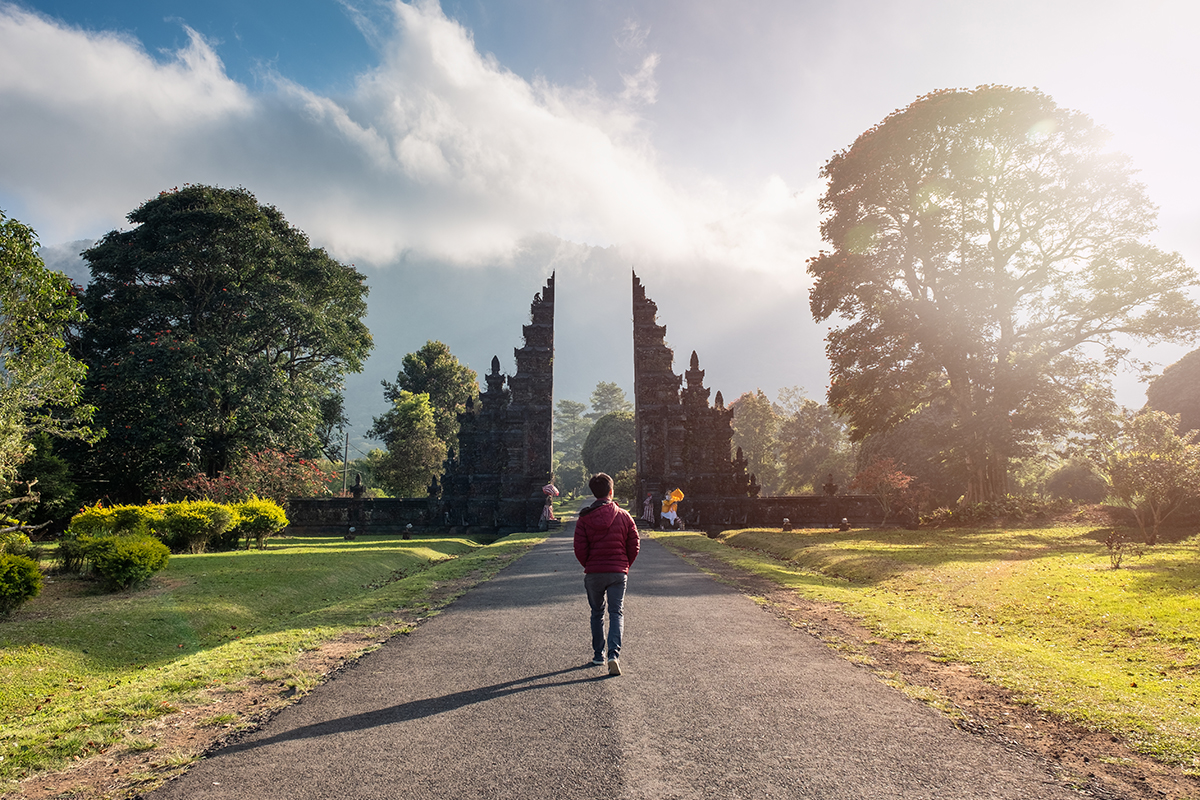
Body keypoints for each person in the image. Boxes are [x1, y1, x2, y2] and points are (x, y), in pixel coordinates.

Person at [574, 472, 640, 676]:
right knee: (616, 611)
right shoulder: (624, 515)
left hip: (594, 572)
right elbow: (634, 544)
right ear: (611, 491)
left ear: (594, 493)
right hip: (617, 572)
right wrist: (624, 564)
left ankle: (598, 655)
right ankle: (614, 655)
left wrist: (590, 564)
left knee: (596, 613)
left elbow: (579, 548)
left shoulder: (584, 518)